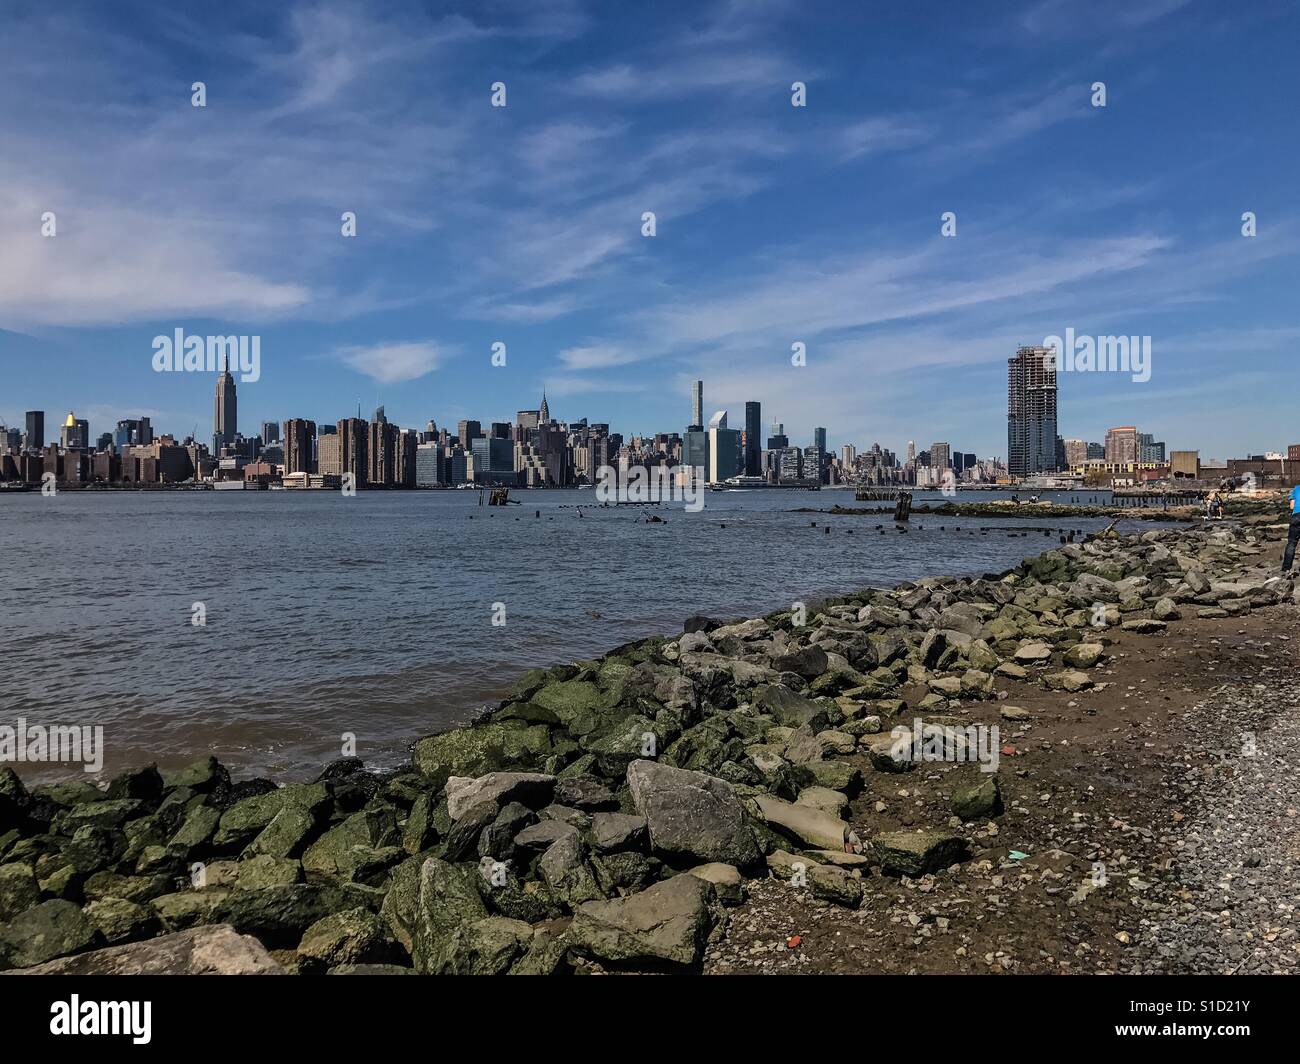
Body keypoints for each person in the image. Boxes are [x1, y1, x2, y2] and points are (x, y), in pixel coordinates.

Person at [1283, 483, 1300, 573]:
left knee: (1292, 543)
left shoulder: (1296, 488)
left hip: (1296, 516)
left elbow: (1292, 506)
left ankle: (1286, 568)